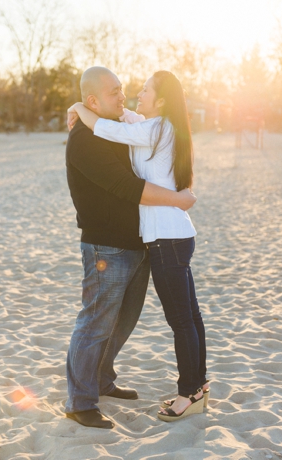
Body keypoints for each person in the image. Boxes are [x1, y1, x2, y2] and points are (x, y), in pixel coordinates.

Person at [68, 70, 208, 422]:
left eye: (132, 91)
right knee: (100, 322)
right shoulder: (90, 137)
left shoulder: (144, 128)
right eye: (116, 92)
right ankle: (81, 402)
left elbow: (121, 125)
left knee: (143, 321)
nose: (127, 97)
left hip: (152, 242)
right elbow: (128, 185)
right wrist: (176, 199)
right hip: (113, 246)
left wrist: (80, 107)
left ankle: (108, 379)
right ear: (93, 101)